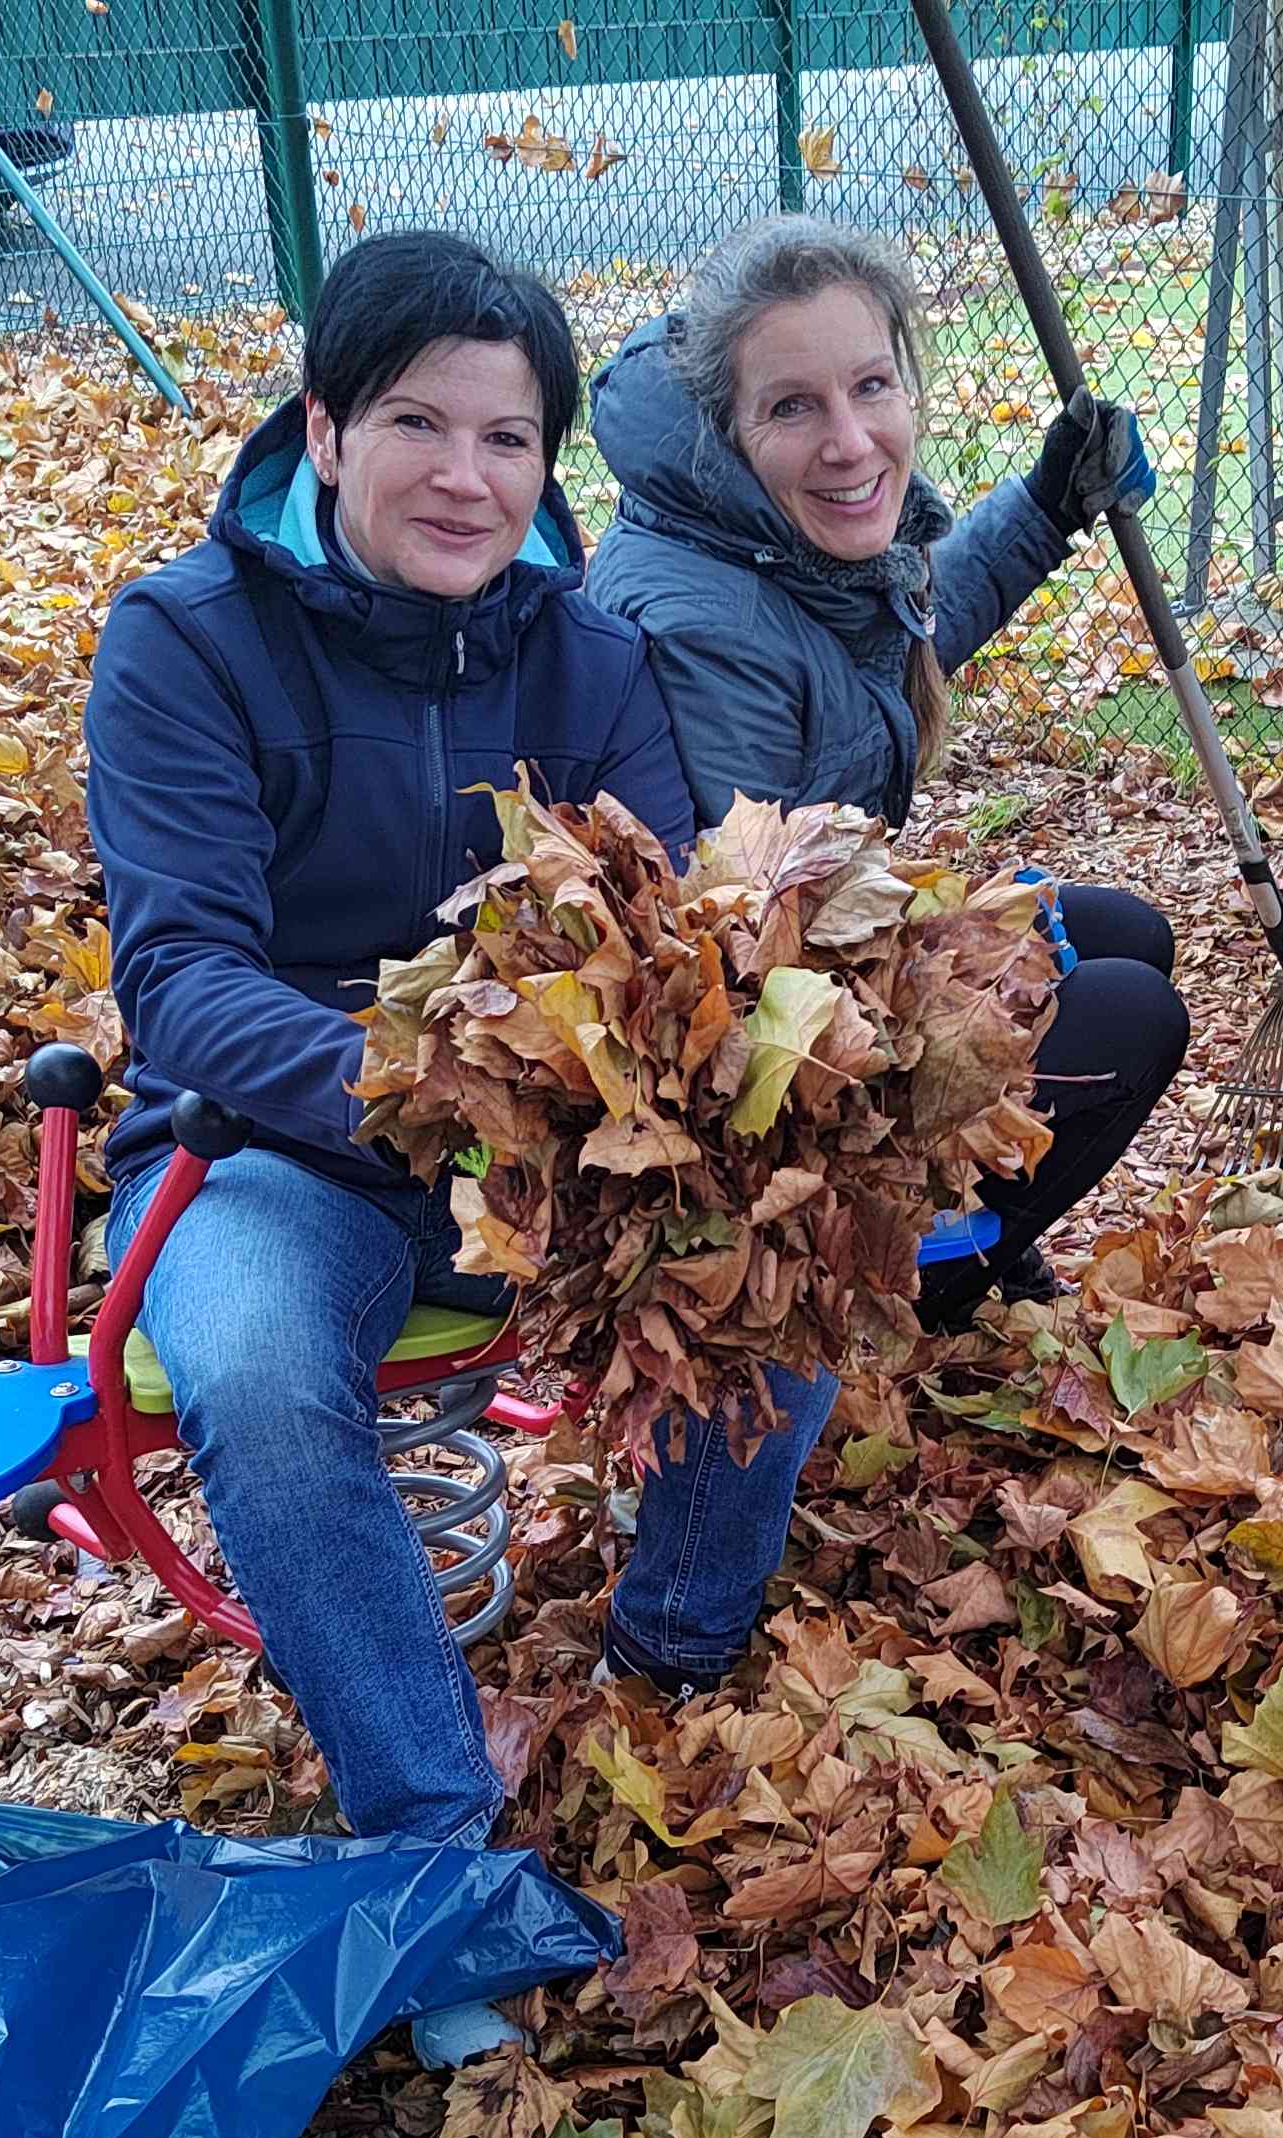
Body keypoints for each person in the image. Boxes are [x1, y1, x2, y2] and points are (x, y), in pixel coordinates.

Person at [84, 229, 826, 1864]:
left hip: (547, 1138)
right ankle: (430, 1829)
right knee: (261, 1370)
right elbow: (183, 980)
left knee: (781, 1256)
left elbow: (662, 925)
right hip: (268, 1147)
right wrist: (430, 1087)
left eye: (507, 437)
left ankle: (669, 1657)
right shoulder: (187, 645)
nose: (464, 478)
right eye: (417, 424)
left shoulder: (587, 655)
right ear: (325, 428)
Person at [585, 215, 1191, 1319]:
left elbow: (878, 655)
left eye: (870, 386)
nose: (852, 441)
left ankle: (958, 1236)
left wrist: (1047, 505)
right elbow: (748, 965)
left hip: (821, 976)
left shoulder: (764, 537)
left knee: (1121, 935)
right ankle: (895, 1288)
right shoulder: (700, 623)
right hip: (758, 1091)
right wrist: (956, 967)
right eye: (792, 407)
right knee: (1130, 1013)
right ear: (727, 428)